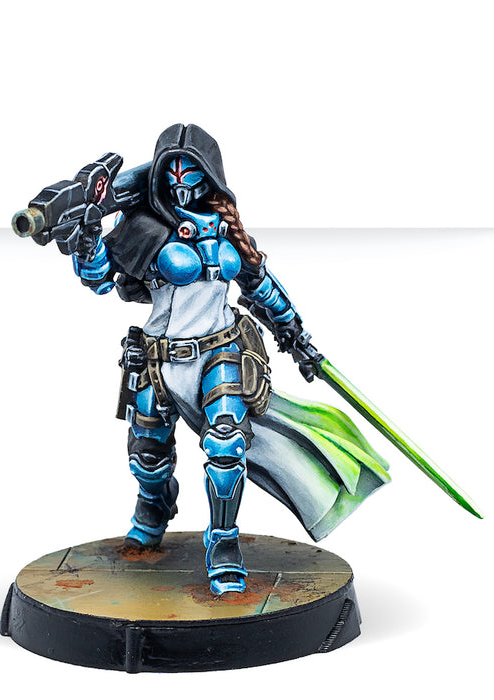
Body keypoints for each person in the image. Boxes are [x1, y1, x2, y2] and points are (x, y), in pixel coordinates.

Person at [71, 124, 390, 595]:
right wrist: (86, 230)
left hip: (220, 353)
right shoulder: (143, 228)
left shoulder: (225, 227)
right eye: (171, 169)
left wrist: (296, 336)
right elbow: (98, 277)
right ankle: (153, 509)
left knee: (226, 447)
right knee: (147, 455)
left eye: (191, 169)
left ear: (210, 174)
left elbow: (260, 284)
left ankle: (223, 544)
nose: (181, 179)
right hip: (158, 359)